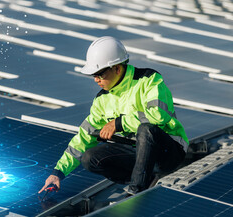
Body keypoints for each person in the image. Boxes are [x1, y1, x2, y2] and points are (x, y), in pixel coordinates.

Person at [38, 36, 188, 196]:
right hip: (138, 154)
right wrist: (58, 172)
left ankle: (136, 193)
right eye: (93, 75)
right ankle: (146, 178)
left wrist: (119, 123)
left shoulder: (149, 80)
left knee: (146, 130)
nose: (96, 80)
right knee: (90, 158)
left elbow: (158, 115)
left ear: (117, 68)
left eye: (100, 74)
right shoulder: (102, 100)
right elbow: (84, 137)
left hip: (168, 152)